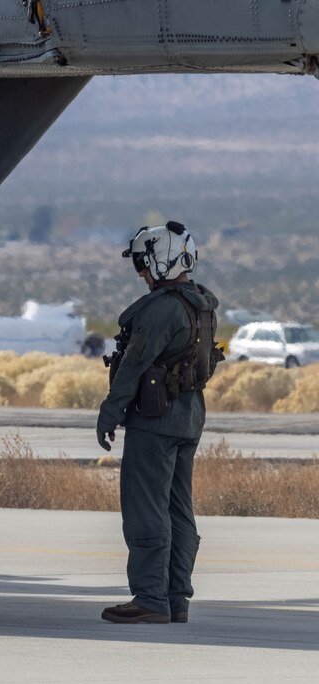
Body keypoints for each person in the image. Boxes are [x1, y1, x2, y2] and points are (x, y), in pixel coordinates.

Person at [96, 222, 221, 625]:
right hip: (189, 417)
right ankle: (175, 597)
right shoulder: (201, 304)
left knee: (146, 507)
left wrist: (110, 411)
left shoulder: (162, 308)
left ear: (160, 260)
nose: (142, 274)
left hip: (155, 419)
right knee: (179, 509)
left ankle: (150, 597)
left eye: (143, 264)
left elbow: (133, 364)